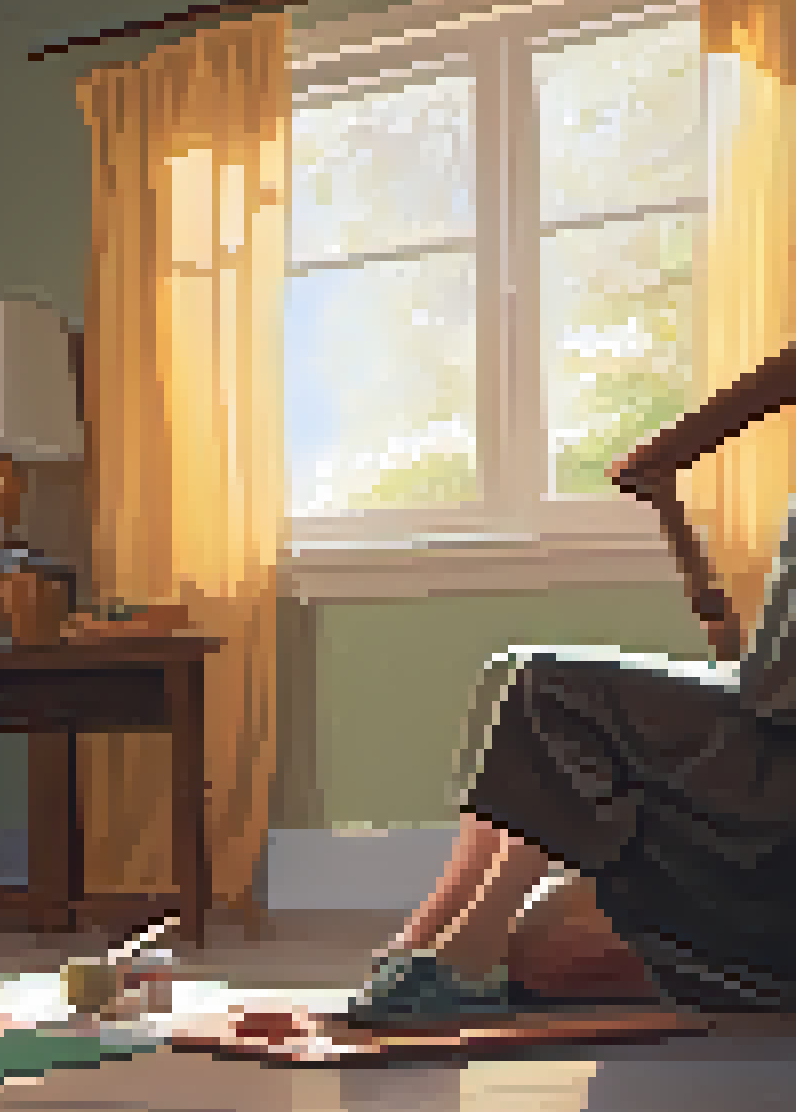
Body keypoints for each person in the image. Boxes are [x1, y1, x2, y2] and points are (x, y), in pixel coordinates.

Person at [338, 361, 796, 1029]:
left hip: (779, 741)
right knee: (513, 669)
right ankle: (427, 934)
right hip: (775, 710)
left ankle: (468, 956)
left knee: (554, 688)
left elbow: (773, 687)